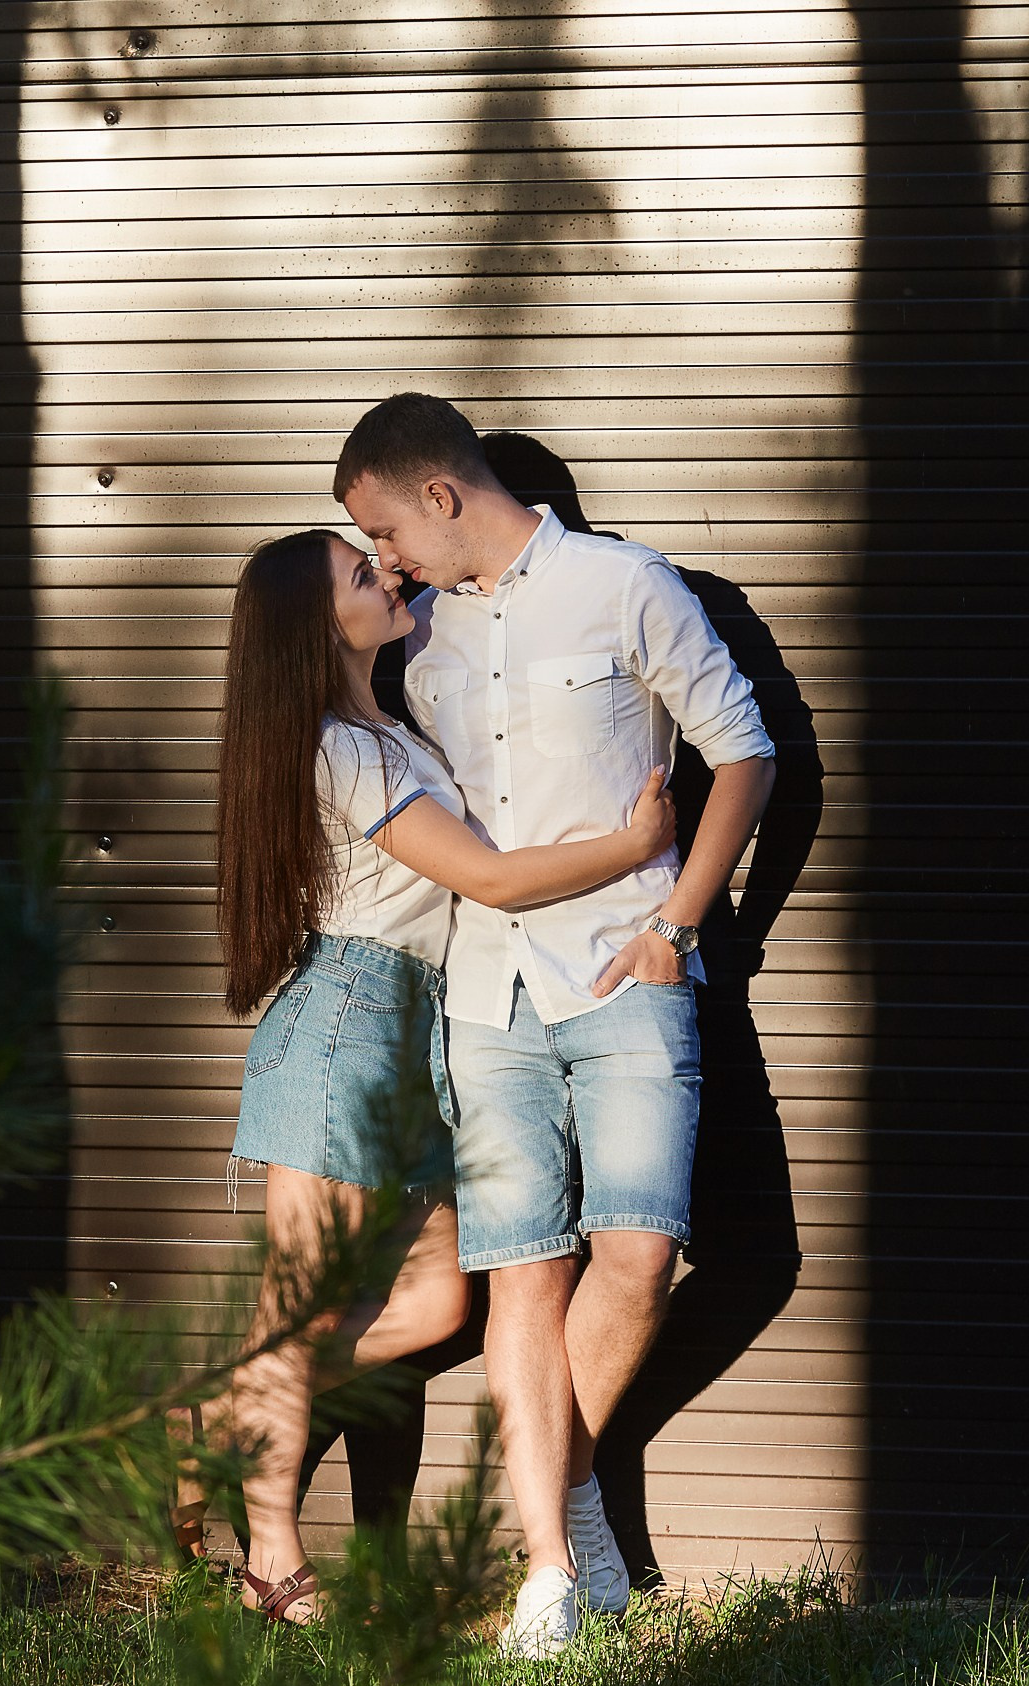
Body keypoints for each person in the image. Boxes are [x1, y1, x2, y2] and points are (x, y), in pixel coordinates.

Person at [336, 394, 777, 1658]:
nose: (382, 560)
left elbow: (743, 755)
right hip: (485, 993)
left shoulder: (626, 586)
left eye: (384, 530)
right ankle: (547, 1574)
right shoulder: (418, 636)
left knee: (638, 1255)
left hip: (627, 971)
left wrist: (680, 924)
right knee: (524, 1268)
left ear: (440, 493)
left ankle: (566, 1486)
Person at [192, 527, 677, 1625]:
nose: (390, 573)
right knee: (299, 1312)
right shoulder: (340, 748)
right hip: (348, 1024)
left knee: (436, 1298)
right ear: (319, 627)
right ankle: (269, 1558)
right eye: (361, 574)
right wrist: (633, 843)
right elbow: (489, 879)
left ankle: (208, 1426)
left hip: (416, 1028)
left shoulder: (383, 728)